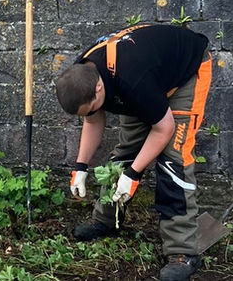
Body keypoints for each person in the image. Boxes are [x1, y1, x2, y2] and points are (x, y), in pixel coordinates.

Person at [55, 23, 211, 281]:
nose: (92, 112)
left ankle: (183, 251)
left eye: (92, 106)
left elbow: (164, 128)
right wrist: (80, 167)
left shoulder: (132, 77)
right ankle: (106, 220)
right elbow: (93, 120)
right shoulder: (84, 71)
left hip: (185, 74)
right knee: (125, 154)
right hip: (149, 78)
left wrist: (134, 174)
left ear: (98, 88)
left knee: (173, 161)